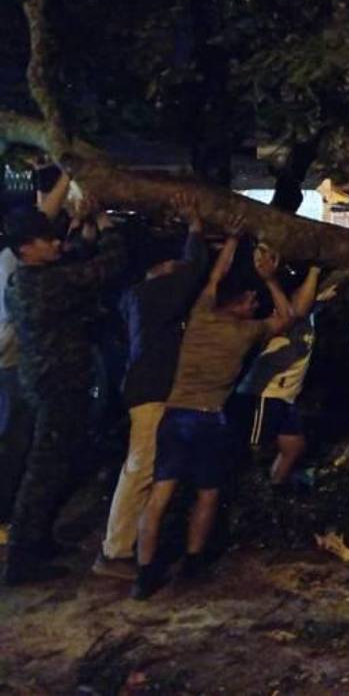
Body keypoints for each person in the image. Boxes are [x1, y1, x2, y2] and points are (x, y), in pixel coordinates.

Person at [133, 225, 294, 599]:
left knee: (159, 497)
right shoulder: (246, 333)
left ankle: (144, 574)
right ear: (239, 304)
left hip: (175, 417)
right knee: (207, 494)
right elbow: (287, 316)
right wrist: (270, 279)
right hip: (210, 419)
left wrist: (234, 240)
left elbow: (215, 276)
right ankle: (192, 562)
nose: (255, 306)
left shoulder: (201, 314)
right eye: (251, 301)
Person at [3, 195, 127, 585]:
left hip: (44, 382)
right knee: (45, 471)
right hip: (58, 385)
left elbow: (72, 260)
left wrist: (80, 231)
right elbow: (108, 267)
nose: (56, 243)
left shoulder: (22, 279)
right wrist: (106, 226)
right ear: (26, 249)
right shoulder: (47, 283)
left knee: (52, 467)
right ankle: (23, 557)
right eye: (47, 240)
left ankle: (37, 542)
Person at [92, 195, 210, 580]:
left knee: (142, 467)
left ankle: (129, 545)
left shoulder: (136, 298)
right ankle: (115, 551)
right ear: (158, 269)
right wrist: (195, 228)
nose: (176, 268)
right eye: (170, 264)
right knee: (140, 469)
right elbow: (193, 272)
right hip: (150, 391)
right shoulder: (154, 294)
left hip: (142, 388)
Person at [0, 169, 70, 529]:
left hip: (16, 360)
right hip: (12, 362)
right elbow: (47, 217)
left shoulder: (11, 256)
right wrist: (69, 171)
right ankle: (8, 518)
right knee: (16, 440)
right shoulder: (12, 262)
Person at [237, 263, 330, 486]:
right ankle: (245, 493)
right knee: (251, 448)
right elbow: (297, 311)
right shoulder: (282, 316)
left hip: (284, 396)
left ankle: (275, 485)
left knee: (294, 444)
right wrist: (314, 270)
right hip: (264, 393)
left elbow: (309, 305)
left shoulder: (309, 317)